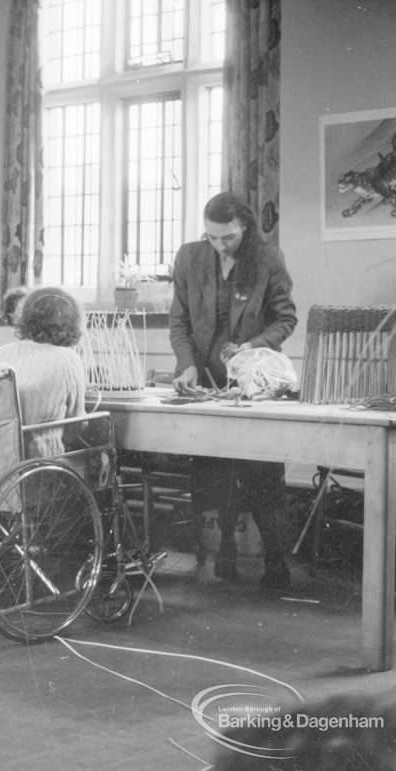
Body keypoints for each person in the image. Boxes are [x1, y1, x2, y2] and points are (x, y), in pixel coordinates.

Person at [169, 191, 297, 590]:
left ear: (245, 227)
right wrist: (188, 365)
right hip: (204, 381)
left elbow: (285, 319)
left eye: (229, 238)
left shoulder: (268, 259)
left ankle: (275, 562)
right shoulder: (189, 257)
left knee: (260, 471)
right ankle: (222, 548)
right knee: (215, 470)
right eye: (212, 238)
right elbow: (179, 322)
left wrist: (252, 346)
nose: (220, 246)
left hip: (252, 382)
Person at [0, 287, 86, 458]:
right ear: (72, 322)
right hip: (42, 460)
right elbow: (76, 426)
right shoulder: (68, 359)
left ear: (23, 318)